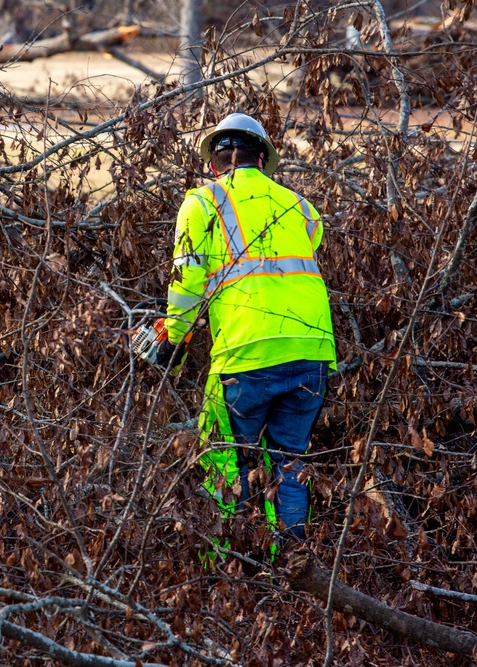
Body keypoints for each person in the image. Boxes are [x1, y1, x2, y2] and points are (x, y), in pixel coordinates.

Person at [153, 113, 336, 544]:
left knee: (221, 459)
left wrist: (172, 342)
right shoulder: (301, 208)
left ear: (213, 163)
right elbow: (305, 251)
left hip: (245, 353)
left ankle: (225, 568)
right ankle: (288, 565)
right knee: (291, 463)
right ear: (263, 158)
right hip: (311, 350)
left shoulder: (201, 203)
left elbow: (186, 281)